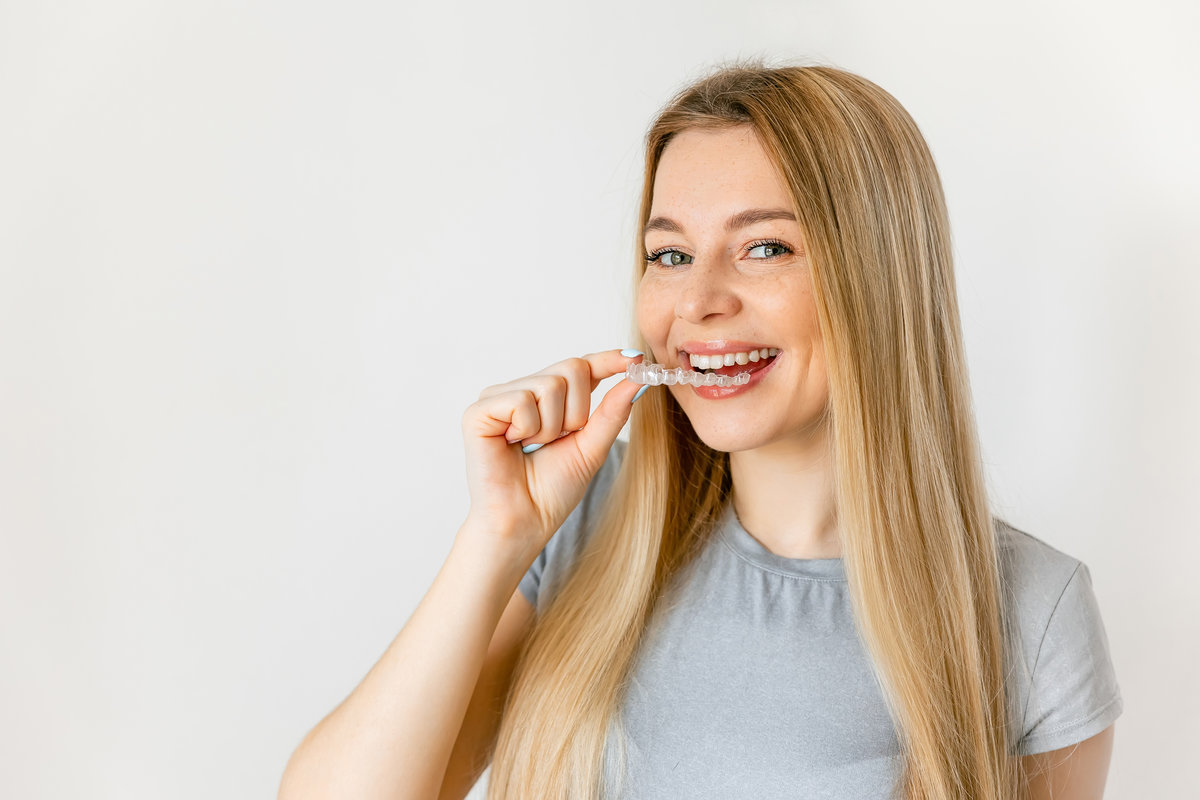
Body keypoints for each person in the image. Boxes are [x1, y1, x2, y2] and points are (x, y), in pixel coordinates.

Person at [278, 62, 1123, 800]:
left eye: (763, 249)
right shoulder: (584, 521)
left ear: (880, 277)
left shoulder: (1029, 611)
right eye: (670, 255)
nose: (696, 304)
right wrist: (498, 535)